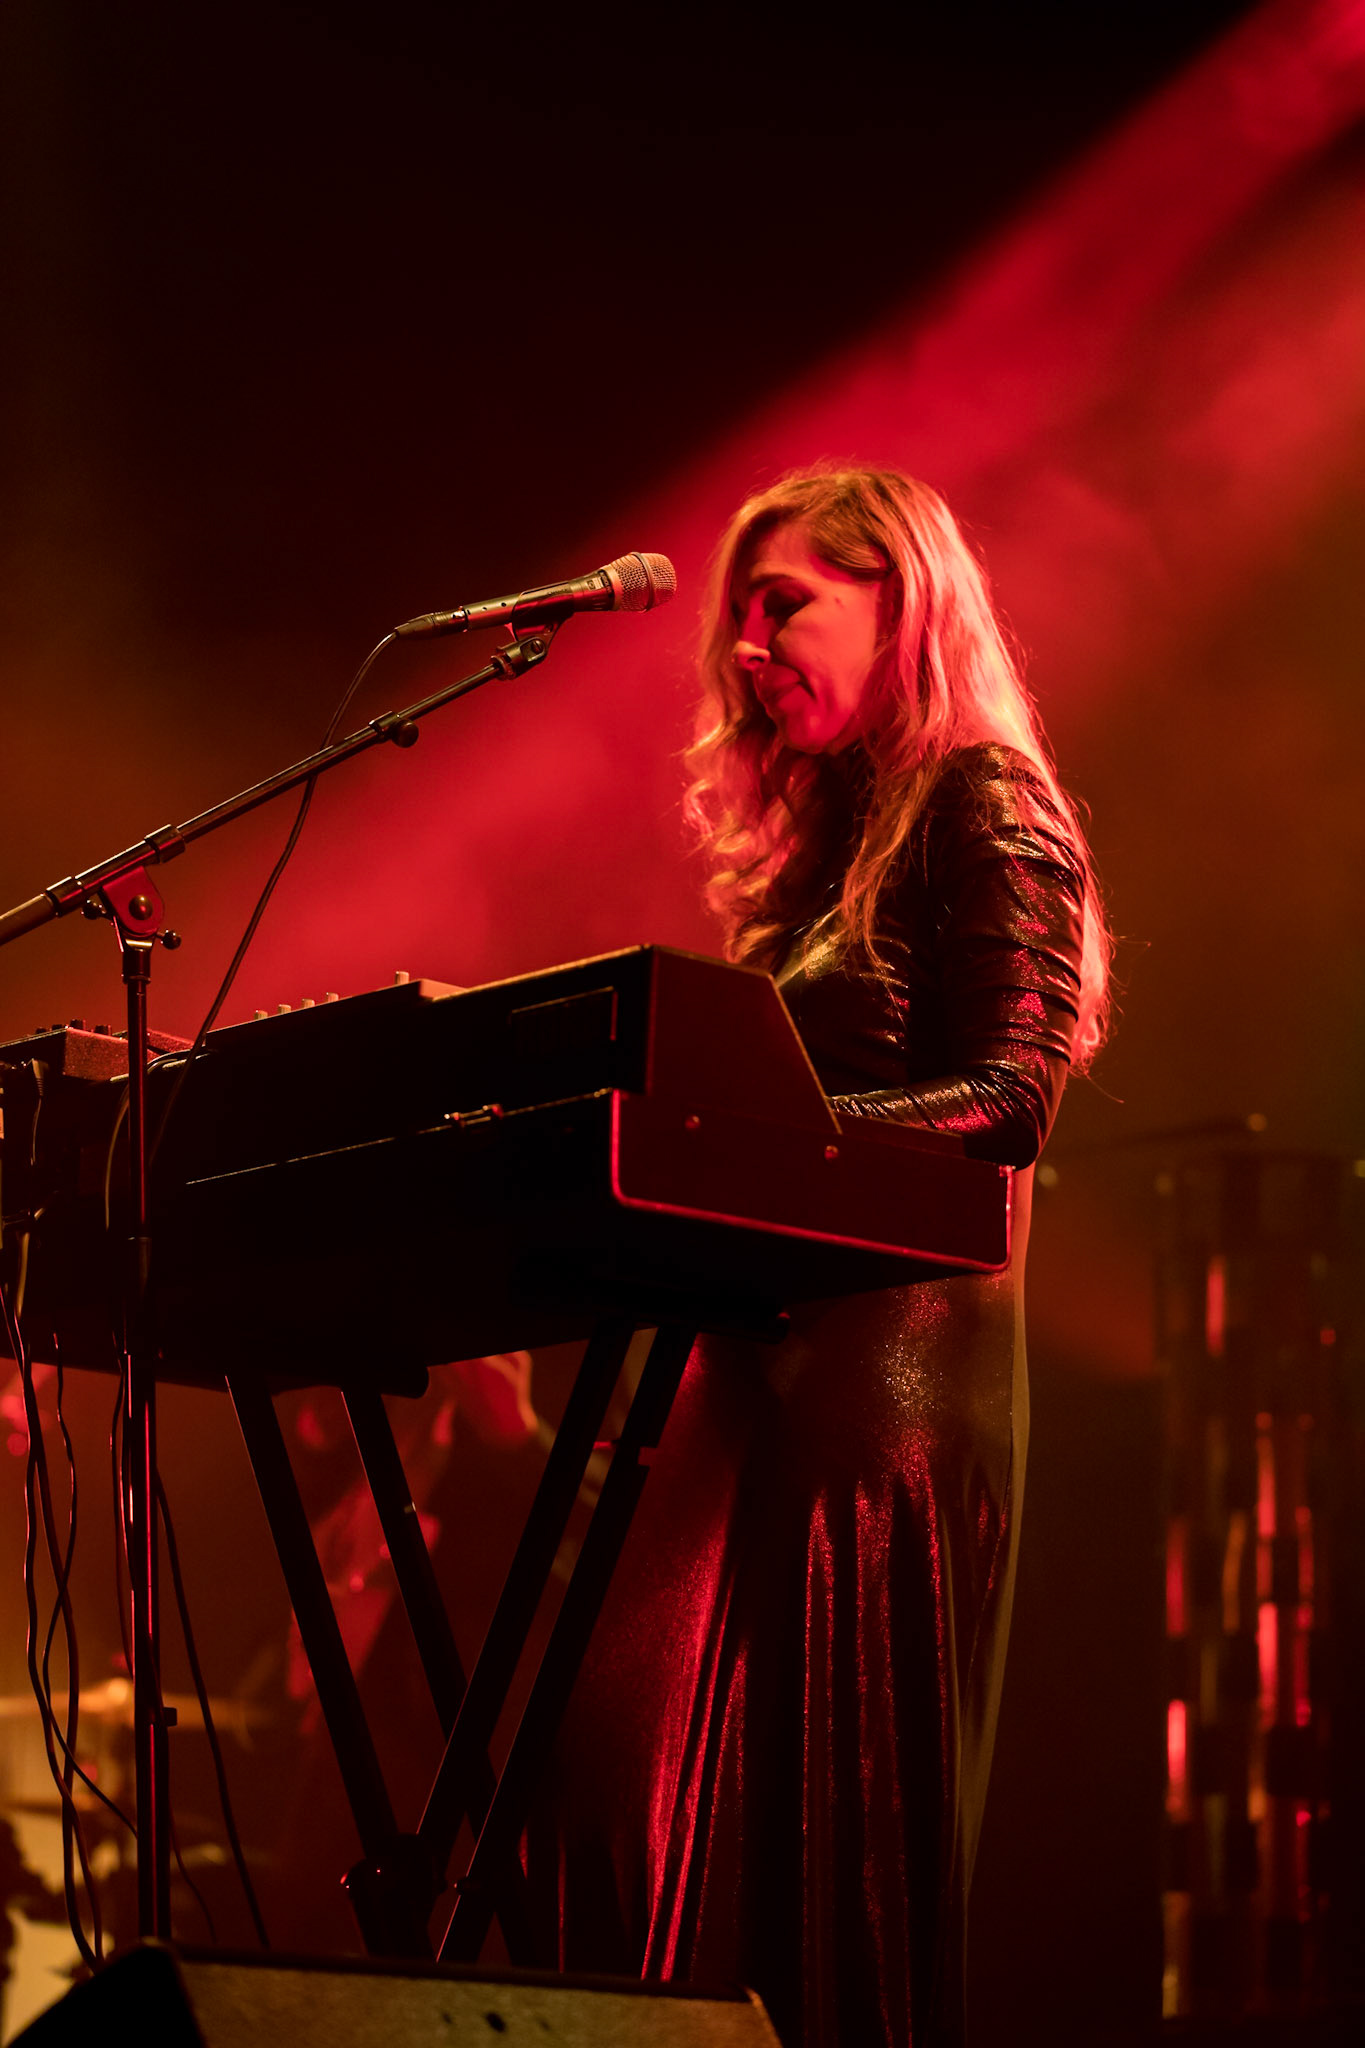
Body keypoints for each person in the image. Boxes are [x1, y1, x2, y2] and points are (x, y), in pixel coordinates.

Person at [526, 467, 1110, 2047]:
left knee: (814, 1825)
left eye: (782, 601)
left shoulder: (982, 795)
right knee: (615, 1770)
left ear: (898, 595)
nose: (748, 644)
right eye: (738, 615)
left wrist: (753, 1138)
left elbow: (1009, 1095)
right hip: (765, 1359)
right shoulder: (818, 858)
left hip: (885, 1383)